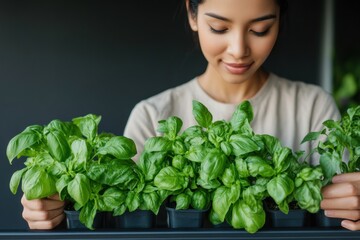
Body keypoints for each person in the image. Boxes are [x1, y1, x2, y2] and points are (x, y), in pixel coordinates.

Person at [21, 0, 360, 231]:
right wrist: (55, 207)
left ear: (279, 22)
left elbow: (345, 210)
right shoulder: (154, 115)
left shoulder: (313, 106)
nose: (239, 49)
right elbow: (117, 215)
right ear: (193, 15)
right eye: (219, 28)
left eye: (260, 30)